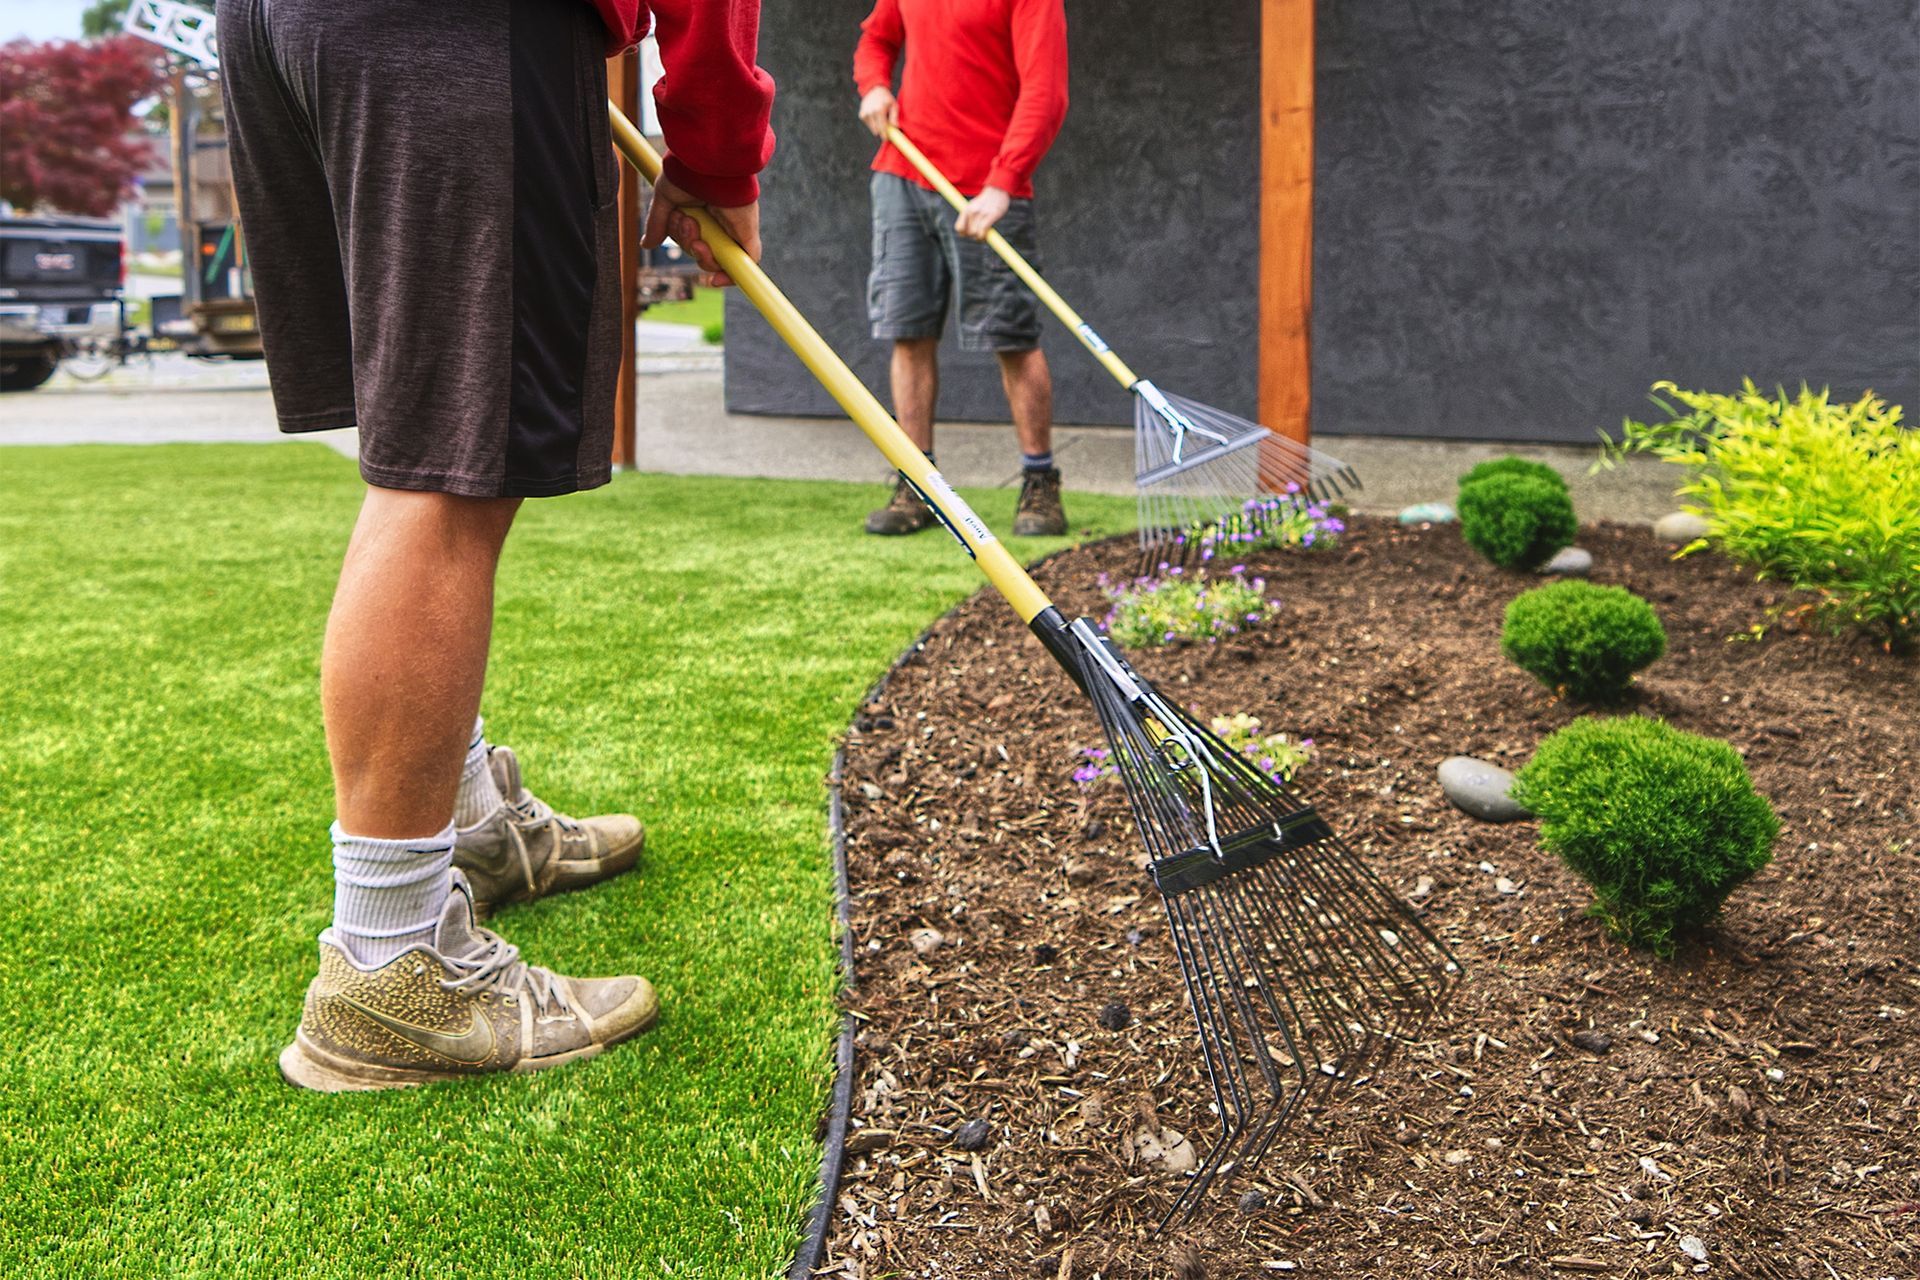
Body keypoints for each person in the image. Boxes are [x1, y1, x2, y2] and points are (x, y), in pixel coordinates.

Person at [215, 0, 773, 1091]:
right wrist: (717, 154)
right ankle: (393, 965)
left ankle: (467, 821)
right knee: (449, 467)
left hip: (283, 25)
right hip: (453, 24)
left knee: (423, 431)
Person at [853, 0, 1070, 538]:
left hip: (987, 188)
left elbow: (1046, 93)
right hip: (902, 173)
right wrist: (875, 84)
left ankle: (1040, 482)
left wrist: (1004, 181)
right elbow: (876, 39)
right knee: (908, 332)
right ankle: (919, 484)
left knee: (1012, 335)